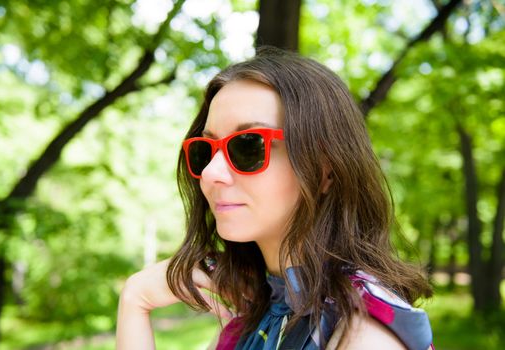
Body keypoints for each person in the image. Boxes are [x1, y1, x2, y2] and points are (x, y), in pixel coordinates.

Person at [116, 47, 434, 350]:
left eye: (248, 145)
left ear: (326, 170)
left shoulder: (362, 335)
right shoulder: (255, 316)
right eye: (205, 150)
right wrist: (135, 301)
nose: (211, 172)